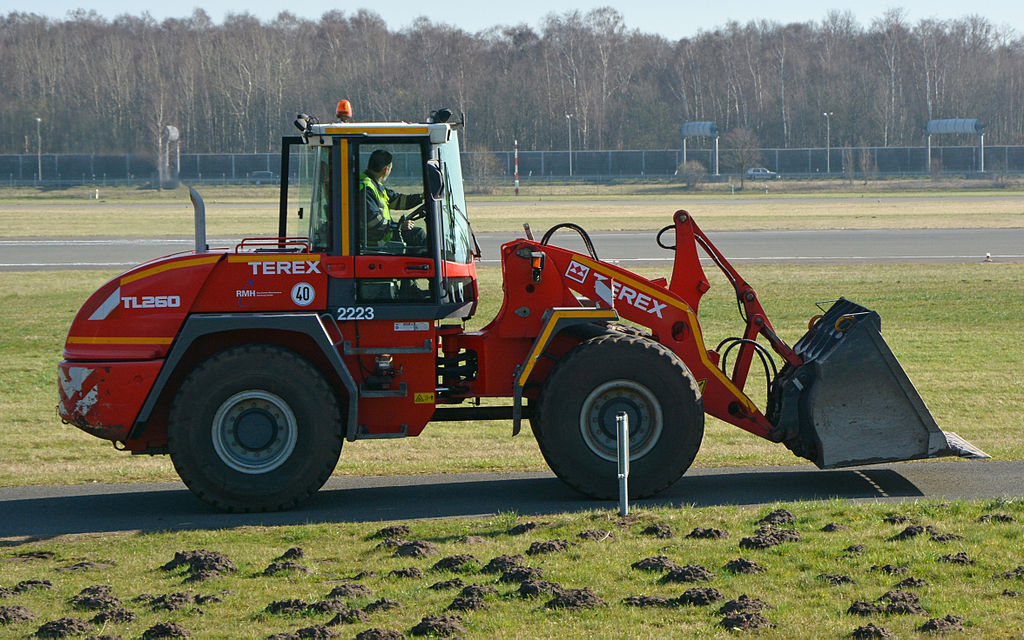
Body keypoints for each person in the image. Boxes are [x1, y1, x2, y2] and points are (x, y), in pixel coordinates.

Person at [359, 149, 426, 250]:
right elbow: (372, 221)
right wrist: (397, 226)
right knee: (417, 235)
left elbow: (398, 200)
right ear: (386, 170)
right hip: (374, 243)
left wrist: (422, 197)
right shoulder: (366, 187)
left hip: (381, 236)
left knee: (416, 233)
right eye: (390, 169)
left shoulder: (373, 185)